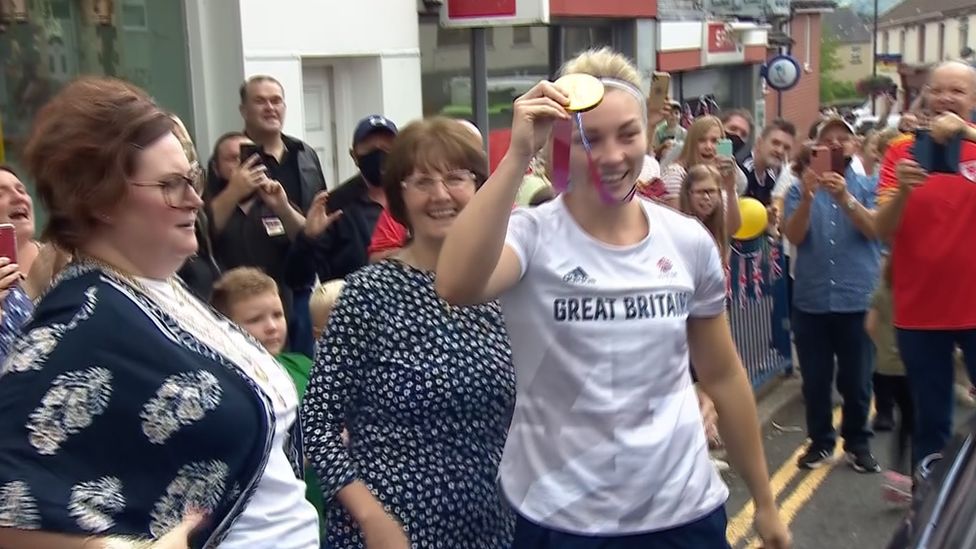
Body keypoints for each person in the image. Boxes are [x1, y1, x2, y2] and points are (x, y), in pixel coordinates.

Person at [435, 47, 791, 549]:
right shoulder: (530, 236)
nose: (612, 156)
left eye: (628, 134)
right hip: (563, 517)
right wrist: (517, 156)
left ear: (647, 135)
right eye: (589, 139)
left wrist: (767, 502)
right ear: (563, 144)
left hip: (681, 511)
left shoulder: (687, 241)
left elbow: (723, 375)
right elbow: (455, 283)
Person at [0, 77, 320, 548]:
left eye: (191, 179)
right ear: (102, 198)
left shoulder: (159, 291)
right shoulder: (83, 318)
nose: (195, 199)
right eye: (171, 186)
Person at [302, 117, 517, 548]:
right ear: (399, 193)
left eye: (455, 178)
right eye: (422, 181)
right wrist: (369, 515)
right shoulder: (370, 292)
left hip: (490, 525)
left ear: (479, 186)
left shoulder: (506, 285)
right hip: (390, 527)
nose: (440, 195)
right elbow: (317, 422)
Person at [874, 60, 976, 468]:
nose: (946, 98)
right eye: (938, 90)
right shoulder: (900, 152)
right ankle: (928, 505)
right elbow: (881, 228)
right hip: (920, 313)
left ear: (973, 99)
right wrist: (902, 190)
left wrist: (966, 132)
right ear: (926, 95)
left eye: (958, 91)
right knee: (930, 420)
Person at [783, 118, 882, 474]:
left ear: (854, 146)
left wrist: (845, 197)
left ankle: (858, 443)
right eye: (828, 141)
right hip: (811, 300)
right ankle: (821, 441)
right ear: (816, 148)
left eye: (844, 140)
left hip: (856, 299)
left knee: (857, 380)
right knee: (816, 379)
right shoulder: (799, 188)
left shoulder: (870, 184)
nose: (837, 145)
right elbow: (793, 236)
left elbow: (875, 228)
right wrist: (809, 199)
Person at [210, 267, 327, 524]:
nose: (272, 327)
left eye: (277, 315)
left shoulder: (300, 364)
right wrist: (328, 444)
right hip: (275, 522)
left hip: (325, 511)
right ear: (223, 327)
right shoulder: (228, 388)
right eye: (255, 320)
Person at [294, 115, 398, 280]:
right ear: (354, 155)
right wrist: (308, 238)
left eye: (387, 148)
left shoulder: (413, 198)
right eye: (370, 148)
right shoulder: (334, 205)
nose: (379, 154)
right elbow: (298, 278)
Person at [661, 115, 745, 235]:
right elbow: (676, 227)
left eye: (715, 141)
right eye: (702, 140)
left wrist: (730, 189)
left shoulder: (725, 177)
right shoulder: (676, 173)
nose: (708, 147)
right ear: (691, 143)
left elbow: (732, 230)